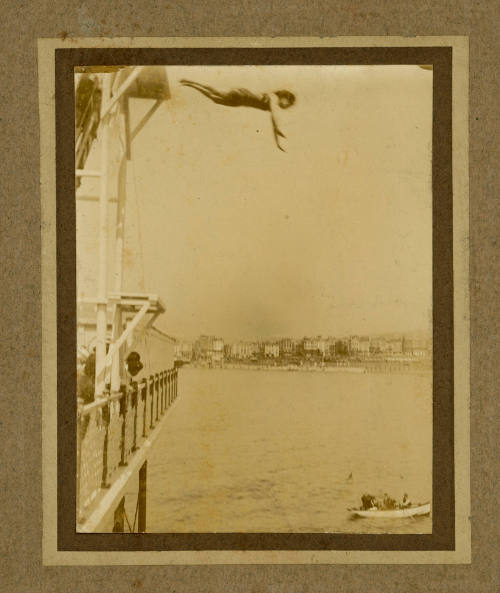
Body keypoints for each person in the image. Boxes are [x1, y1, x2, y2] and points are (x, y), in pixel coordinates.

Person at [179, 79, 296, 152]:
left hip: (240, 100)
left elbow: (273, 120)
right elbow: (274, 118)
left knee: (215, 97)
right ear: (284, 98)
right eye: (287, 104)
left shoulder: (272, 99)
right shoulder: (274, 99)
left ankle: (191, 84)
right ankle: (191, 83)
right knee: (216, 95)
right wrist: (278, 132)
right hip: (242, 96)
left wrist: (277, 141)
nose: (286, 107)